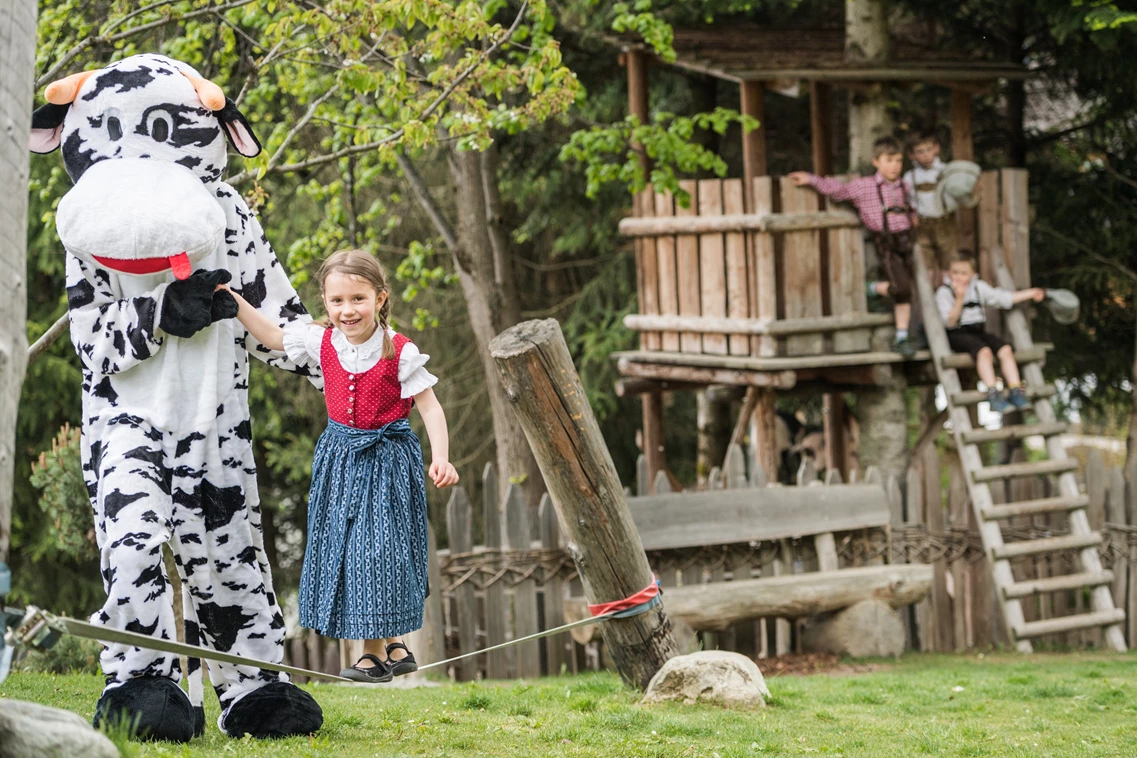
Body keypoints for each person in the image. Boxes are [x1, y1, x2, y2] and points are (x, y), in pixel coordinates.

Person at [223, 249, 459, 683]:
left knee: (379, 550)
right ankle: (391, 646)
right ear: (326, 303)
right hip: (340, 459)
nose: (347, 310)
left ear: (380, 298)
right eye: (337, 301)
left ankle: (374, 654)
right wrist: (235, 302)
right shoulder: (322, 340)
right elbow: (273, 337)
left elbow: (431, 407)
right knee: (350, 551)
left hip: (388, 461)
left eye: (358, 299)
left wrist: (440, 457)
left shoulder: (401, 351)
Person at [789, 136, 919, 357]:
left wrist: (914, 219)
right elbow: (837, 191)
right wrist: (811, 179)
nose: (895, 166)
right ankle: (872, 289)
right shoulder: (865, 186)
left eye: (898, 161)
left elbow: (912, 208)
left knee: (906, 293)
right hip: (885, 243)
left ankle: (902, 337)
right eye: (889, 160)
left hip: (907, 241)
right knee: (902, 287)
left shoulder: (904, 186)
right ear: (876, 161)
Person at [935, 254, 1045, 412]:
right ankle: (993, 393)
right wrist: (959, 299)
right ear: (948, 273)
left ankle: (1016, 390)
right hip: (956, 335)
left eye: (964, 273)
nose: (958, 277)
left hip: (978, 331)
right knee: (984, 352)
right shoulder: (943, 293)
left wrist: (1032, 293)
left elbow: (1004, 298)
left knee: (1005, 349)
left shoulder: (978, 287)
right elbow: (950, 322)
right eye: (955, 272)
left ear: (973, 275)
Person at [903, 131, 957, 286]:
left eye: (929, 150)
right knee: (926, 266)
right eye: (920, 152)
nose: (926, 155)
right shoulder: (909, 176)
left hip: (944, 222)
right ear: (912, 155)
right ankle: (930, 301)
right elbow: (908, 201)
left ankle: (946, 299)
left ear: (936, 149)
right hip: (922, 225)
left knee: (948, 263)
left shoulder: (946, 171)